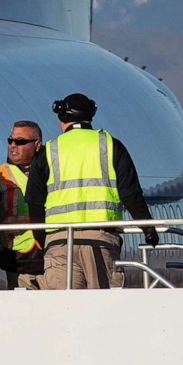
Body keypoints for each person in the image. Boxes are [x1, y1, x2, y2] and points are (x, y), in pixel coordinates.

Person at [25, 93, 158, 289]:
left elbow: (35, 201)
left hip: (59, 241)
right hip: (100, 239)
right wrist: (148, 228)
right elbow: (131, 194)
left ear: (62, 118)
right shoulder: (111, 145)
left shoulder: (49, 151)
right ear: (91, 116)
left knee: (63, 309)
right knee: (102, 308)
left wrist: (41, 237)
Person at [0, 120, 45, 290]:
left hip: (51, 252)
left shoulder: (52, 170)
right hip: (17, 257)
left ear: (37, 144)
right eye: (10, 140)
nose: (13, 146)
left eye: (20, 141)